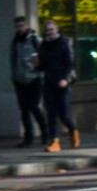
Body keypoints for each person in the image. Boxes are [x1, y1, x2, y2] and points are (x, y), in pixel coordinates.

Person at [37, 19, 78, 152]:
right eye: (47, 30)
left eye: (51, 30)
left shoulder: (64, 43)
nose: (49, 33)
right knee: (51, 113)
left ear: (57, 30)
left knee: (63, 114)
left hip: (62, 83)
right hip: (49, 82)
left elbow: (69, 63)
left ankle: (73, 130)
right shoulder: (43, 45)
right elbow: (42, 66)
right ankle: (54, 141)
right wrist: (36, 64)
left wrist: (65, 79)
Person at [10, 16, 47, 148]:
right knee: (24, 110)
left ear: (26, 26)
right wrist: (14, 77)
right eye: (17, 26)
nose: (19, 28)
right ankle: (28, 137)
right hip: (20, 80)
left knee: (34, 106)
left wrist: (38, 71)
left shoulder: (33, 40)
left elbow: (41, 58)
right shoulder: (15, 41)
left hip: (34, 78)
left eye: (21, 26)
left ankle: (45, 132)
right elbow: (13, 60)